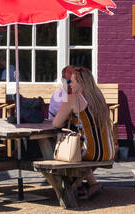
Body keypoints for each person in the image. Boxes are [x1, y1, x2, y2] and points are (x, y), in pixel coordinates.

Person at [49, 65, 115, 200]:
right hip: (108, 150)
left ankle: (68, 189)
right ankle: (84, 184)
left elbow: (56, 123)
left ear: (81, 82)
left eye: (72, 81)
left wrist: (68, 115)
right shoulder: (98, 96)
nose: (70, 84)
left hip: (90, 151)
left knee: (60, 150)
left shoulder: (73, 98)